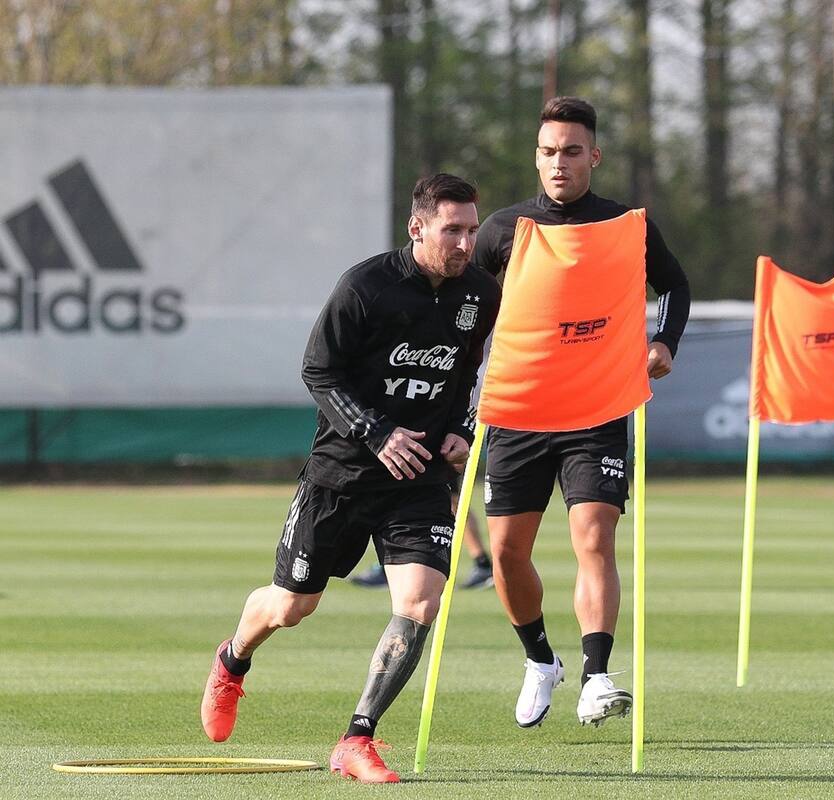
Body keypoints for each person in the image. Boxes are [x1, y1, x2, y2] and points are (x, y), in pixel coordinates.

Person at [200, 174, 500, 783]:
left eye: (472, 229)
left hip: (417, 481)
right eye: (453, 230)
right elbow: (318, 370)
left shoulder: (481, 295)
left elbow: (478, 376)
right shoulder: (366, 286)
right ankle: (232, 661)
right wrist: (378, 433)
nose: (466, 242)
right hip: (340, 475)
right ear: (417, 227)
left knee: (420, 603)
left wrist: (464, 429)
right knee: (291, 606)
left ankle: (357, 738)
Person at [472, 97, 690, 728]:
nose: (559, 163)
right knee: (509, 553)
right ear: (536, 158)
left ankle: (597, 676)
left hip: (596, 408)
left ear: (593, 156)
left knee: (594, 537)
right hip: (518, 410)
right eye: (548, 152)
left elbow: (674, 284)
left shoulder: (626, 224)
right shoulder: (503, 230)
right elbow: (470, 306)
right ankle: (541, 661)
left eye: (572, 151)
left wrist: (663, 341)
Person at [350, 484, 493, 589]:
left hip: (434, 449)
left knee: (450, 499)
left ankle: (482, 563)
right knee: (398, 495)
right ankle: (390, 563)